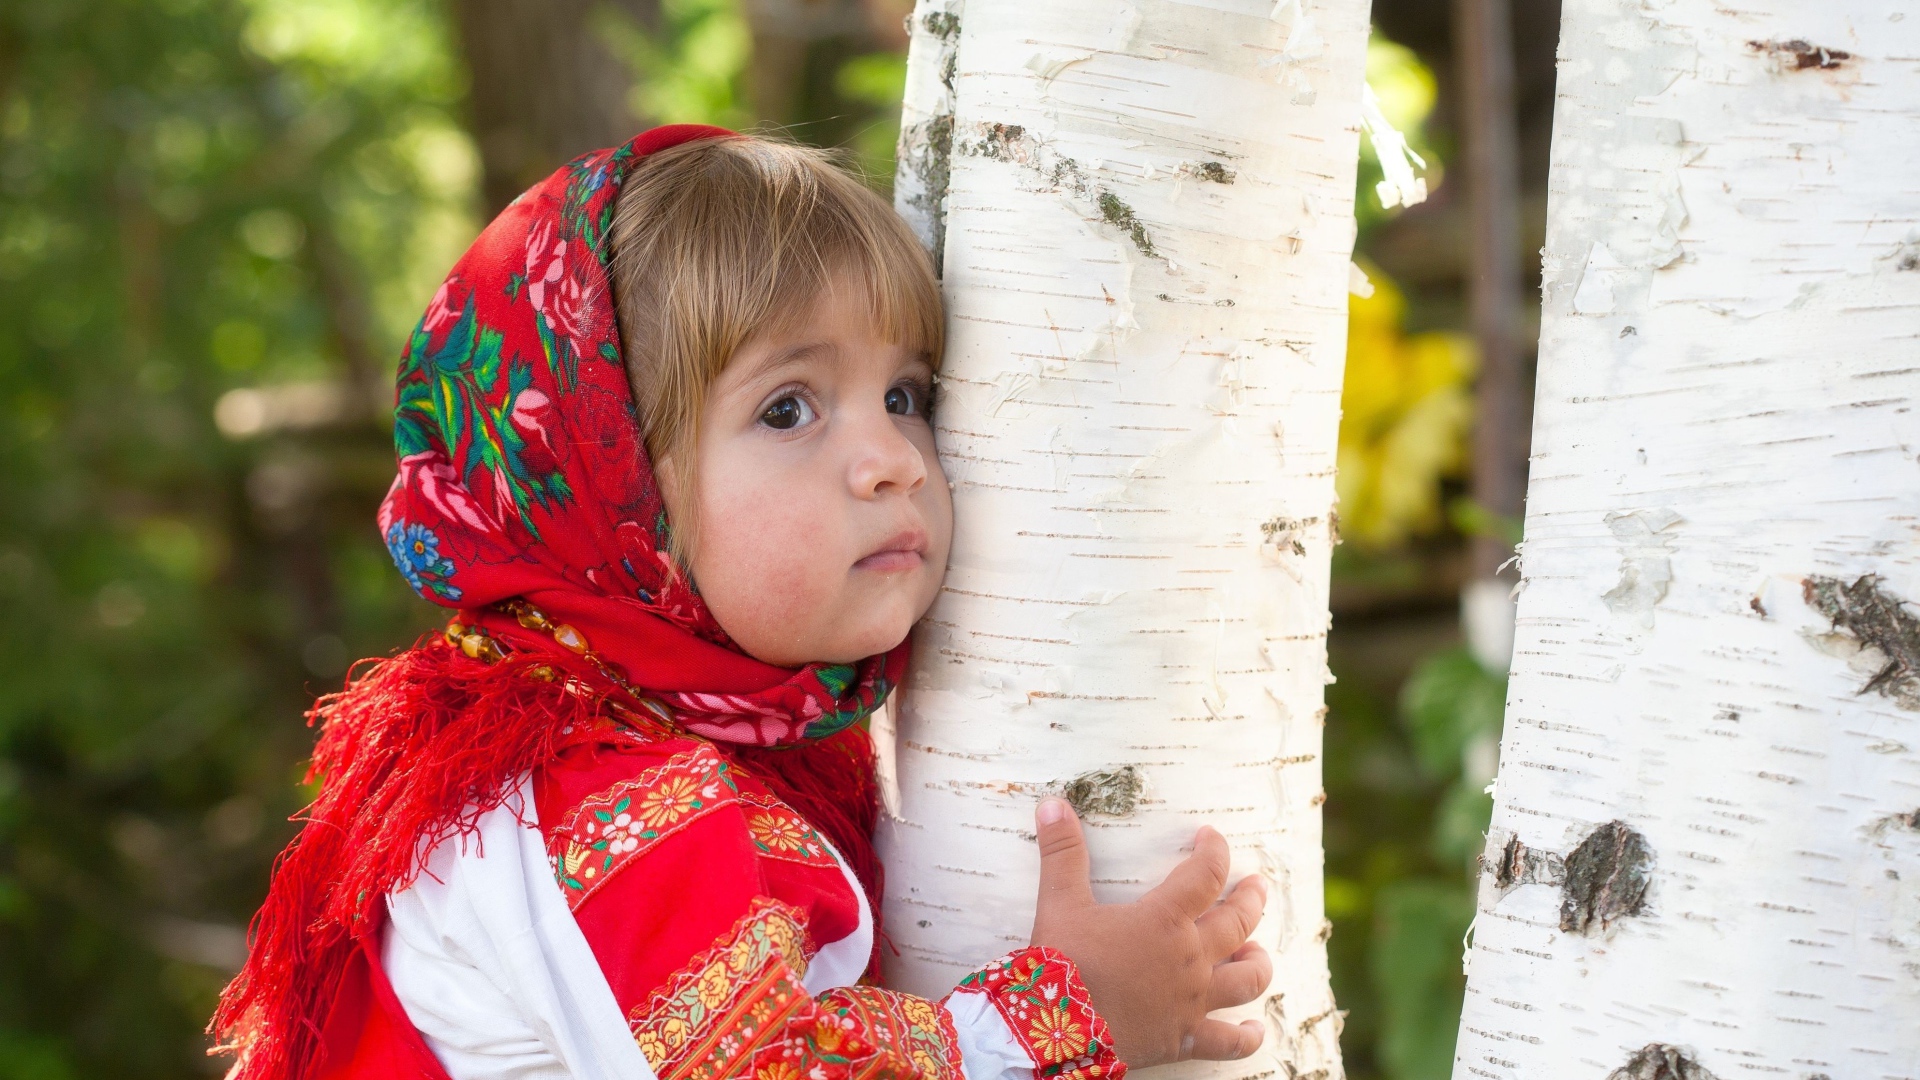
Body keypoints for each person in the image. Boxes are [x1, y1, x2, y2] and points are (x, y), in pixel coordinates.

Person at [211, 125, 1272, 1080]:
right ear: (609, 486)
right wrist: (1069, 1013)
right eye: (789, 408)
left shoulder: (732, 743)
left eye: (906, 396)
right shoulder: (586, 797)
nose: (892, 460)